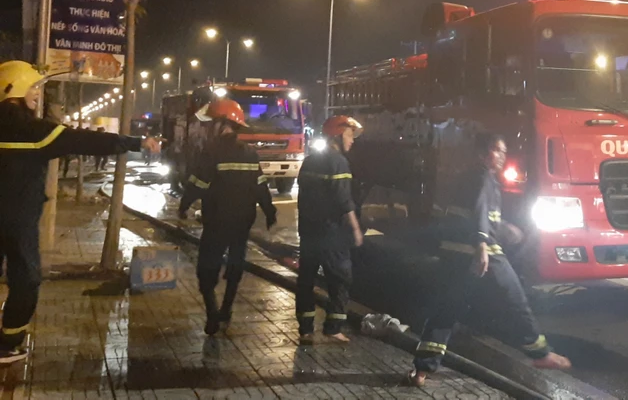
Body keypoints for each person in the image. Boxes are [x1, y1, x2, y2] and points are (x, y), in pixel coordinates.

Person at [0, 60, 159, 363]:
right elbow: (86, 140)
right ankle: (8, 342)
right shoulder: (34, 131)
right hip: (18, 221)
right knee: (26, 279)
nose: (37, 93)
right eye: (33, 88)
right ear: (15, 89)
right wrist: (135, 143)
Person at [406, 133, 571, 387]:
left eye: (504, 151)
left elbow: (477, 215)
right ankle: (541, 354)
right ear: (482, 154)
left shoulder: (471, 177)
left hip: (456, 254)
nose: (502, 156)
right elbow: (480, 211)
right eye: (496, 150)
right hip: (484, 253)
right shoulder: (484, 178)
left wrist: (503, 228)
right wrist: (482, 244)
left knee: (446, 310)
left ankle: (422, 370)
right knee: (515, 299)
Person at [178, 98, 276, 335]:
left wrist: (184, 206)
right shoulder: (250, 153)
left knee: (206, 267)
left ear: (221, 124)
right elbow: (261, 186)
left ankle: (212, 313)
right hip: (243, 221)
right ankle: (226, 310)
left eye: (211, 123)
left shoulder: (211, 152)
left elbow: (197, 184)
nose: (207, 128)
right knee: (236, 263)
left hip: (216, 220)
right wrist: (269, 211)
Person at [295, 115, 365, 344]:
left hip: (308, 231)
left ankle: (306, 329)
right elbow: (344, 200)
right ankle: (333, 328)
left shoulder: (309, 161)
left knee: (306, 279)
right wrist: (355, 228)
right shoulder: (339, 162)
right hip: (331, 234)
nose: (352, 140)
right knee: (341, 278)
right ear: (338, 134)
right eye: (350, 135)